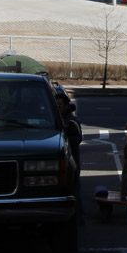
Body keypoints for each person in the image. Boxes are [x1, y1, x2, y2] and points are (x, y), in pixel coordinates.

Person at [55, 91, 83, 223]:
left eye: (60, 104)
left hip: (72, 161)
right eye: (56, 104)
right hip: (59, 161)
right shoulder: (53, 119)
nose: (58, 106)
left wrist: (64, 136)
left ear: (66, 106)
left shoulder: (72, 121)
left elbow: (78, 139)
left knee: (75, 188)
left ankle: (79, 217)